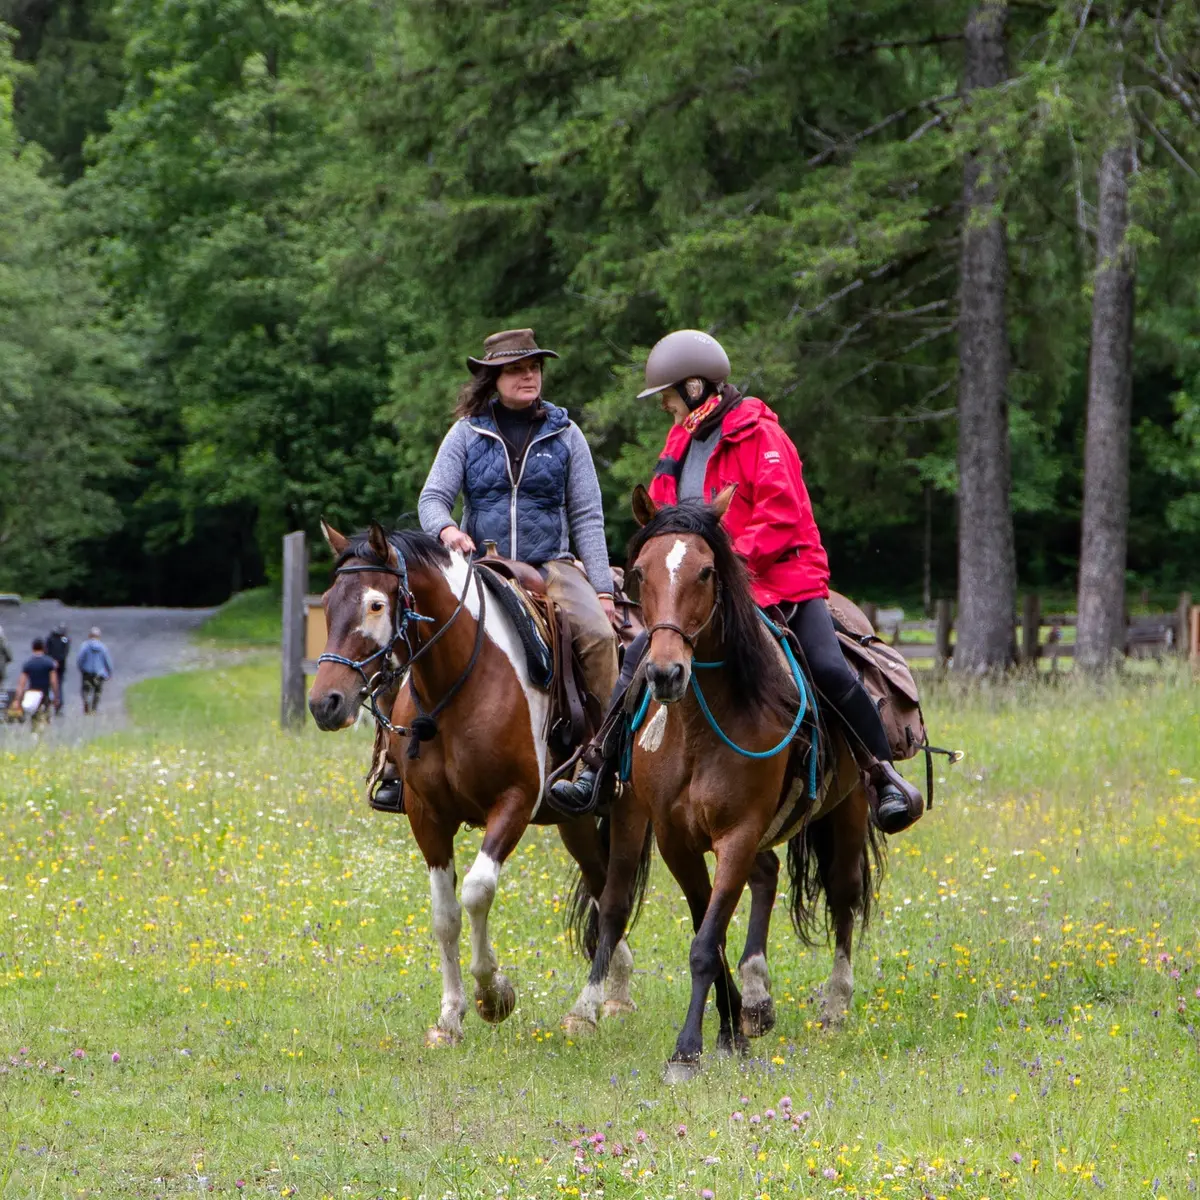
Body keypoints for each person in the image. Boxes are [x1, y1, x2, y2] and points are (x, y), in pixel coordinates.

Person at [551, 329, 923, 834]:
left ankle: (882, 777)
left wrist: (728, 563)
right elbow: (666, 513)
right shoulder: (679, 441)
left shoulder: (762, 435)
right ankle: (599, 768)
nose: (665, 407)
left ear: (697, 388)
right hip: (704, 591)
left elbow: (782, 514)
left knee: (828, 667)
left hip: (783, 582)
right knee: (638, 656)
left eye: (668, 395)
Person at [360, 328, 618, 814]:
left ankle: (599, 759)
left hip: (551, 565)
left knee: (602, 637)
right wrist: (447, 532)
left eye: (534, 367)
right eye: (518, 369)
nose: (529, 376)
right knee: (412, 630)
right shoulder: (466, 432)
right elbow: (433, 498)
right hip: (484, 564)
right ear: (493, 378)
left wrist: (602, 588)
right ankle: (395, 760)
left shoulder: (567, 434)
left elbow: (587, 516)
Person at [14, 637, 60, 724]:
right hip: (45, 694)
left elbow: (21, 684)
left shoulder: (28, 664)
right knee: (45, 718)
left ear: (32, 648)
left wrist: (17, 699)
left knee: (34, 718)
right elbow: (54, 681)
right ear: (44, 648)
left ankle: (34, 734)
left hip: (32, 694)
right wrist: (56, 697)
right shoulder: (49, 663)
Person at [76, 626, 114, 714]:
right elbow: (107, 660)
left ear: (90, 635)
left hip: (87, 671)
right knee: (97, 691)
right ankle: (94, 708)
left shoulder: (85, 646)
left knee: (86, 690)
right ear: (99, 636)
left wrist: (81, 668)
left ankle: (86, 703)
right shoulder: (103, 647)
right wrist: (109, 672)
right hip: (99, 673)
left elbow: (80, 658)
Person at [46, 623, 70, 715]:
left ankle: (47, 705)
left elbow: (46, 651)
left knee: (48, 686)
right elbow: (65, 653)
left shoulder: (50, 638)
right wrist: (58, 661)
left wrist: (52, 660)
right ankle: (58, 706)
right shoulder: (65, 640)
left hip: (49, 665)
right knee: (59, 686)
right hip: (60, 666)